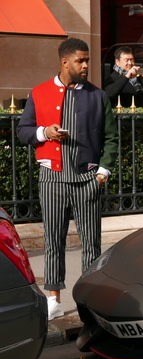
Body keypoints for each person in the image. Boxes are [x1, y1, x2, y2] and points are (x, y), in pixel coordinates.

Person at [17, 37, 118, 320]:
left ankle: (88, 299)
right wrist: (44, 133)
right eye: (80, 61)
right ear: (65, 62)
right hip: (52, 177)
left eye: (87, 60)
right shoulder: (39, 92)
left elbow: (111, 138)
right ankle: (54, 299)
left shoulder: (98, 96)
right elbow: (23, 130)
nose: (86, 65)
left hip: (88, 178)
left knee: (91, 242)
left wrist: (103, 171)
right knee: (53, 240)